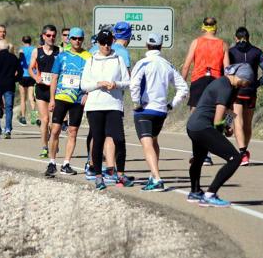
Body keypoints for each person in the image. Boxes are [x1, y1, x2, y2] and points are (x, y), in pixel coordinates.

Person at [186, 64, 254, 207]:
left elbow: (229, 109)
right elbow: (218, 120)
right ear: (242, 77)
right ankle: (210, 194)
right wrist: (222, 130)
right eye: (248, 81)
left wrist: (228, 126)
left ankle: (195, 192)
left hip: (194, 126)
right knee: (235, 158)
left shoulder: (233, 87)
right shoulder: (225, 87)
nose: (248, 85)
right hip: (203, 127)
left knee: (198, 159)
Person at [130, 33, 188, 191]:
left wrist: (136, 103)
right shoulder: (167, 64)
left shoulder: (143, 62)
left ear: (146, 45)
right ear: (161, 46)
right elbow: (183, 88)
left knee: (147, 143)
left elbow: (134, 83)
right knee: (154, 141)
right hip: (161, 111)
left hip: (145, 110)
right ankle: (152, 175)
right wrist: (171, 105)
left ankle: (157, 179)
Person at [82, 29, 132, 190]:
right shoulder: (91, 60)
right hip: (95, 106)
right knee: (98, 139)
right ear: (98, 43)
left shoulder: (118, 59)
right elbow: (84, 85)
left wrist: (115, 84)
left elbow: (128, 82)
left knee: (119, 139)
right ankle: (98, 176)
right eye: (103, 42)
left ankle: (121, 174)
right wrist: (98, 84)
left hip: (114, 105)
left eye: (109, 42)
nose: (106, 45)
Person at [181, 17, 230, 166]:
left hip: (198, 81)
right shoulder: (222, 44)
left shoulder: (196, 42)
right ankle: (207, 154)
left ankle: (198, 154)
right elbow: (227, 69)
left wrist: (182, 85)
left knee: (195, 117)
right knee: (212, 117)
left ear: (203, 27)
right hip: (215, 81)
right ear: (215, 28)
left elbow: (186, 66)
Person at [45, 27, 92, 177]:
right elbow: (54, 78)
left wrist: (88, 94)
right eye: (74, 38)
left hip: (78, 99)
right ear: (69, 39)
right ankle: (52, 162)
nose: (77, 41)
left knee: (73, 132)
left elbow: (93, 78)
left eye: (80, 39)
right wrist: (52, 99)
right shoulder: (61, 56)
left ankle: (66, 163)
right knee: (56, 130)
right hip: (61, 97)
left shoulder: (88, 56)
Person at [228, 27, 263, 166]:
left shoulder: (231, 52)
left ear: (235, 38)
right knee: (247, 123)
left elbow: (225, 69)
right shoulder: (257, 51)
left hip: (236, 91)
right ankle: (244, 151)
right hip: (251, 91)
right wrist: (257, 84)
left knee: (237, 121)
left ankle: (242, 153)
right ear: (249, 37)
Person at [29, 25, 60, 157]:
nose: (51, 38)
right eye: (48, 35)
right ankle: (45, 147)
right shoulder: (37, 51)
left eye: (53, 35)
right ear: (43, 36)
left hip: (56, 90)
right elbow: (31, 68)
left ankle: (53, 142)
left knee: (54, 122)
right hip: (41, 90)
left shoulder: (60, 51)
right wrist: (36, 77)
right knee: (45, 119)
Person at [0, 39, 22, 139]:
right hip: (9, 85)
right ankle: (7, 129)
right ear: (7, 47)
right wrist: (14, 79)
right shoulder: (13, 58)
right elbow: (20, 72)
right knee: (8, 108)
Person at [17, 36, 37, 126]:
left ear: (22, 41)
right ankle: (34, 118)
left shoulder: (21, 50)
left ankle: (23, 117)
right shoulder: (35, 49)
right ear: (30, 41)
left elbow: (20, 60)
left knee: (23, 98)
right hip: (32, 75)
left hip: (23, 75)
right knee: (31, 97)